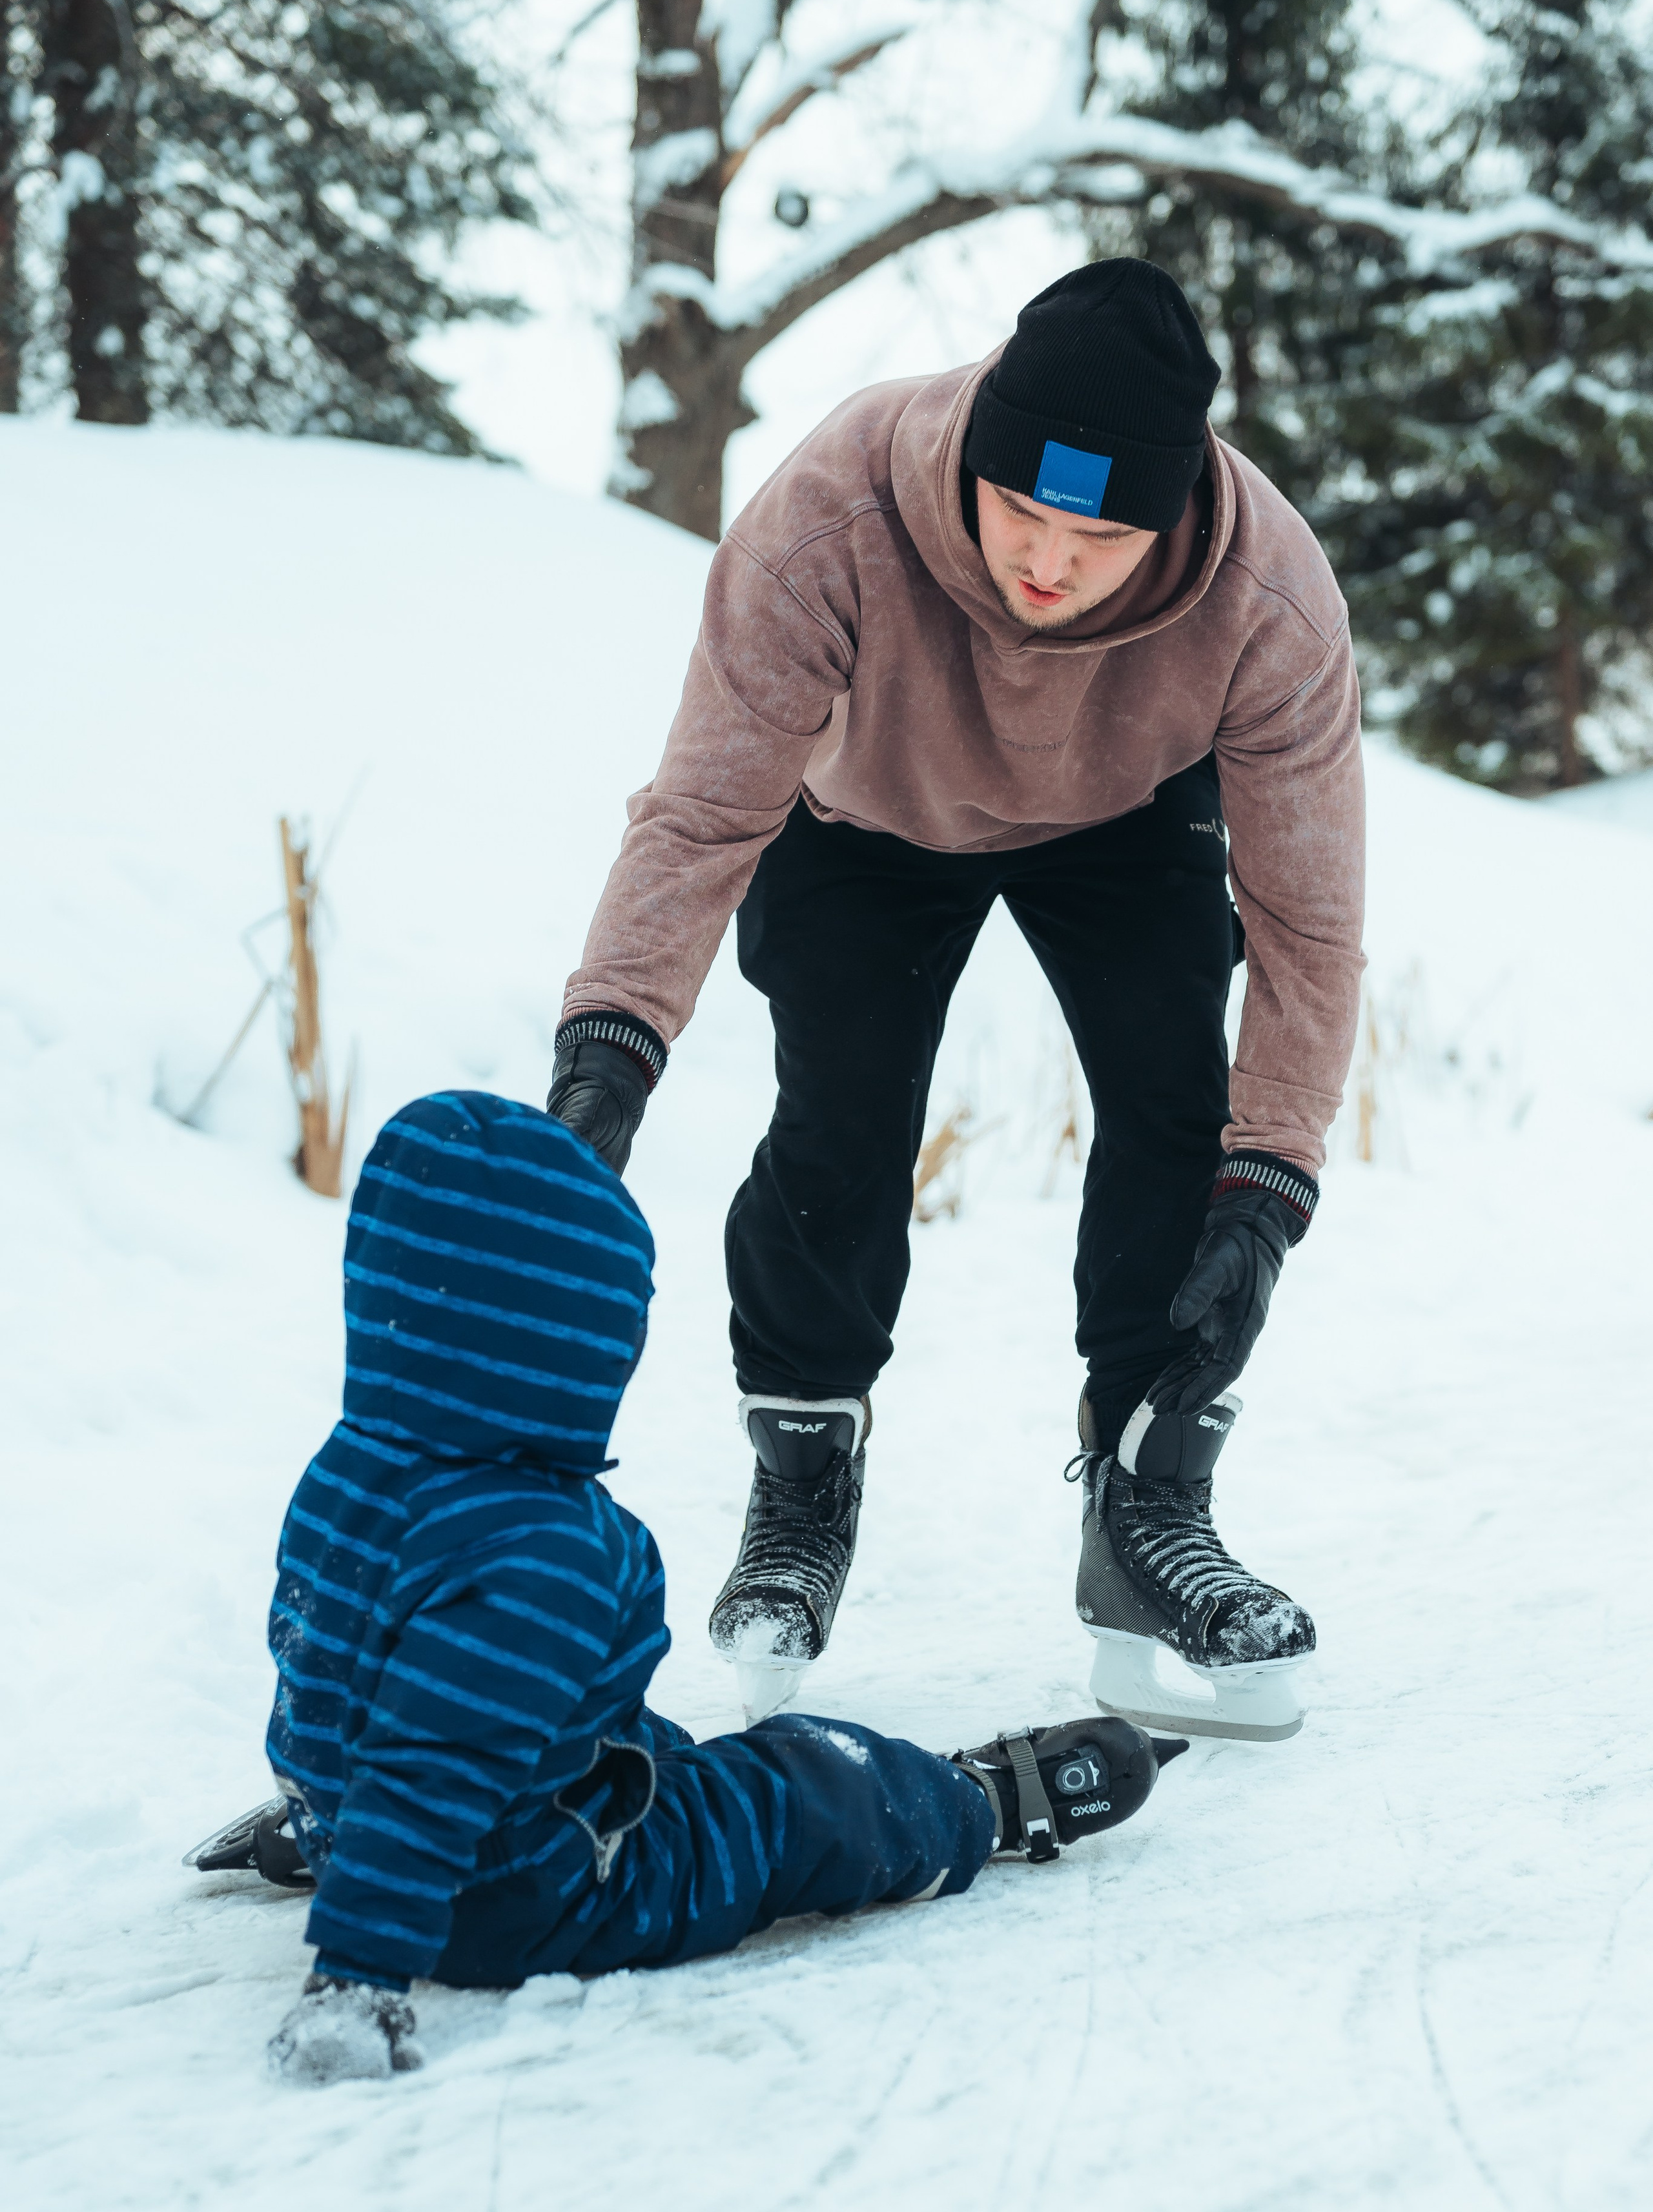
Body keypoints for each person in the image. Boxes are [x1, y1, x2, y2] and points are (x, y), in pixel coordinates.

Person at [548, 260, 1365, 1741]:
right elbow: (697, 818)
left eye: (1098, 534)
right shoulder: (831, 518)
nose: (1049, 565)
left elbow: (1309, 922)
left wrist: (1269, 1190)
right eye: (1022, 516)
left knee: (1179, 1105)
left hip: (1125, 810)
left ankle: (1149, 1508)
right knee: (843, 1116)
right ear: (978, 451)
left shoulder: (1266, 601)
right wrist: (605, 1059)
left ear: (1172, 515)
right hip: (860, 813)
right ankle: (800, 1487)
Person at [197, 1091, 1179, 2084]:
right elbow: (432, 1765)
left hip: (374, 1817)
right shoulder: (547, 1548)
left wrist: (337, 1819)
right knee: (785, 1790)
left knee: (601, 1734)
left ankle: (345, 1845)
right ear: (573, 1337)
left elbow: (341, 1668)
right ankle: (972, 1804)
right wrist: (356, 1976)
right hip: (535, 1896)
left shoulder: (352, 1471)